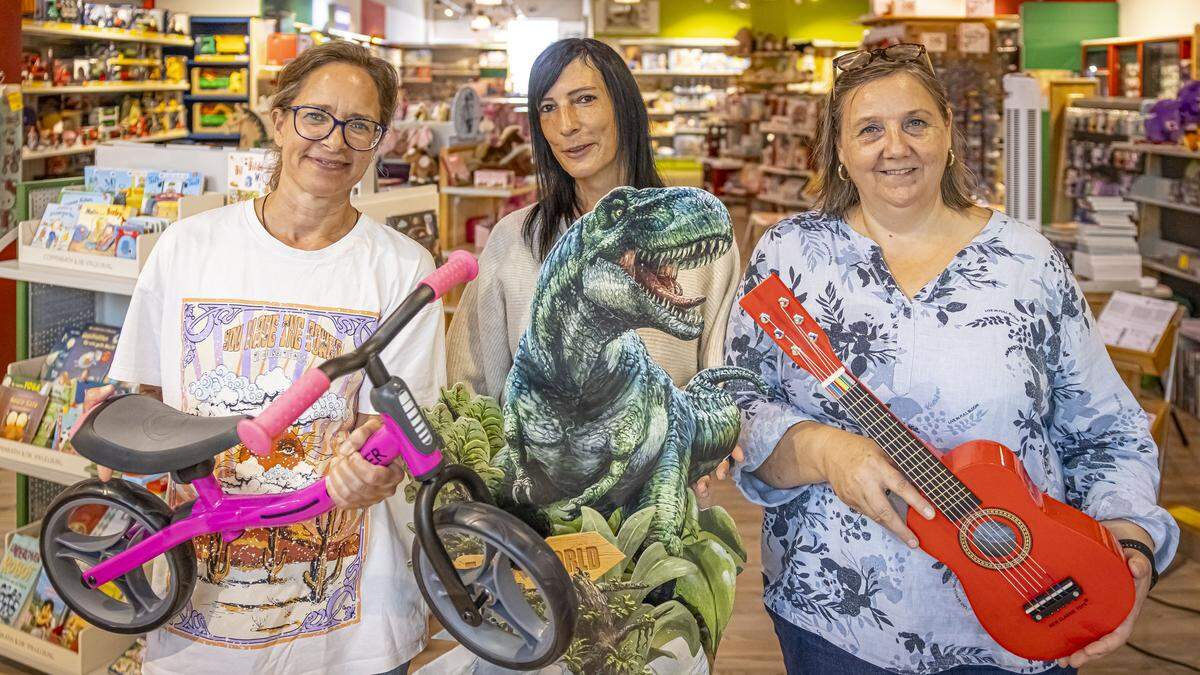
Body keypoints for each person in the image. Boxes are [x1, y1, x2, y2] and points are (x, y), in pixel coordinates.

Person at [725, 43, 1178, 674]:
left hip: (1028, 614)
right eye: (869, 129)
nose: (896, 146)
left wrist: (1128, 543)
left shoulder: (1027, 263)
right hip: (836, 620)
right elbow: (735, 404)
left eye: (915, 122)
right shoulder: (791, 256)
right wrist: (826, 451)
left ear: (947, 134)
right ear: (838, 151)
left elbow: (1108, 432)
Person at [101, 41, 445, 675]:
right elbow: (138, 397)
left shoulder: (402, 268)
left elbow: (402, 421)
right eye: (316, 116)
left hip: (353, 636)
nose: (333, 141)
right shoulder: (187, 248)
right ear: (281, 120)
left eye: (359, 125)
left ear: (378, 142)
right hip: (197, 624)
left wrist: (374, 463)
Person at [445, 38, 740, 403]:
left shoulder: (697, 238)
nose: (566, 125)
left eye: (585, 99)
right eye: (548, 107)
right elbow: (468, 387)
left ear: (624, 106)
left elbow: (722, 384)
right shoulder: (515, 238)